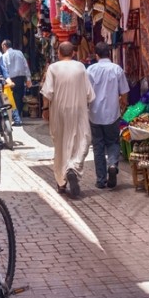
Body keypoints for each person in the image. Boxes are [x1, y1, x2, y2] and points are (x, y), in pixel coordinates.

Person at [40, 41, 95, 198]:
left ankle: (61, 181)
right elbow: (89, 94)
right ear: (73, 53)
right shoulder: (80, 67)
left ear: (58, 53)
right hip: (78, 111)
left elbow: (47, 92)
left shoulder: (53, 68)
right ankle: (73, 167)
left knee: (60, 145)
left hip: (59, 111)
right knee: (83, 140)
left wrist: (45, 109)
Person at [86, 41, 129, 189]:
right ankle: (112, 164)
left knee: (98, 146)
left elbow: (86, 93)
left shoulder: (90, 70)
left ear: (96, 55)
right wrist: (123, 106)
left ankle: (101, 180)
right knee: (113, 142)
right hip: (112, 113)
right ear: (109, 53)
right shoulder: (117, 69)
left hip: (95, 114)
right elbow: (124, 93)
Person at [1, 39, 31, 126]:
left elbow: (5, 69)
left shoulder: (4, 56)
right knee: (19, 98)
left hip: (10, 80)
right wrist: (28, 78)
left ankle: (16, 118)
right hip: (20, 79)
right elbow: (25, 65)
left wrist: (5, 80)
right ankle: (18, 117)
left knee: (12, 99)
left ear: (4, 46)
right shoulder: (19, 53)